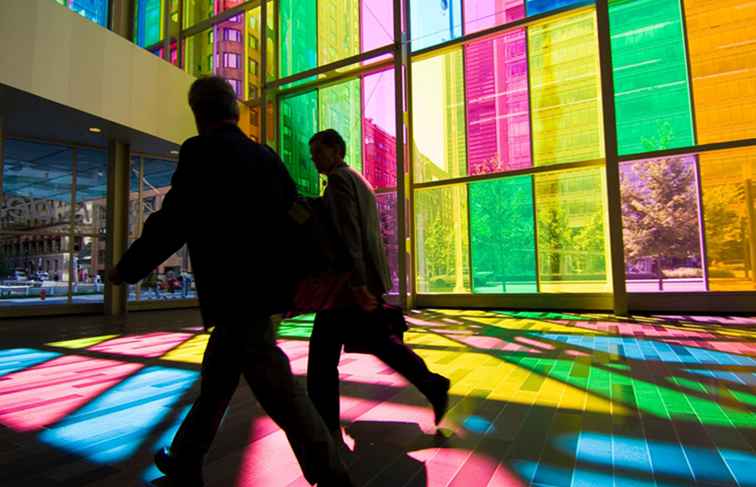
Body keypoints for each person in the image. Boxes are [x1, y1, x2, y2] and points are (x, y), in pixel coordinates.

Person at [108, 77, 352, 487]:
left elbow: (172, 222)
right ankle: (186, 460)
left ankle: (333, 476)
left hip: (233, 294)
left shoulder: (200, 151)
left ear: (198, 114)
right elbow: (295, 214)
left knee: (281, 394)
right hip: (261, 292)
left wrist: (127, 268)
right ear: (234, 112)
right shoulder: (264, 156)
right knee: (218, 380)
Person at [306, 129, 451, 442]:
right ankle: (432, 384)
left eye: (317, 152)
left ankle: (323, 426)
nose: (313, 158)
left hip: (347, 287)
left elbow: (349, 235)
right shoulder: (359, 180)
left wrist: (358, 284)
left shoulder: (340, 182)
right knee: (380, 343)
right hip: (360, 282)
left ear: (335, 151)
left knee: (321, 358)